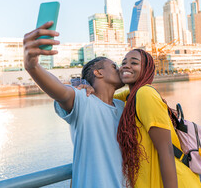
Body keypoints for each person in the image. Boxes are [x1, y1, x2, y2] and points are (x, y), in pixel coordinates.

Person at [23, 21, 125, 187]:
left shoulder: (122, 107)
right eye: (114, 66)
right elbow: (61, 91)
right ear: (98, 73)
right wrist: (32, 66)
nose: (120, 69)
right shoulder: (83, 99)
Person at [114, 49, 201, 188]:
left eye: (134, 63)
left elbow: (166, 149)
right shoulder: (131, 95)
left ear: (146, 69)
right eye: (123, 63)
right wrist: (87, 87)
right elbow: (105, 96)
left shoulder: (145, 93)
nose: (126, 65)